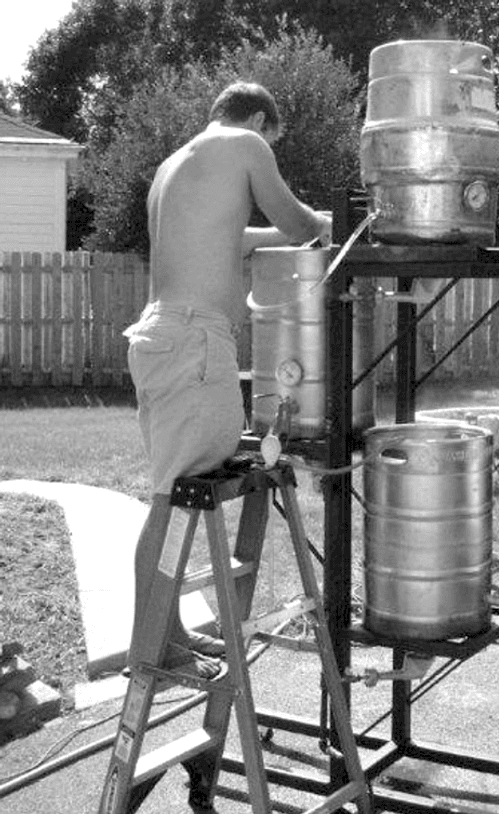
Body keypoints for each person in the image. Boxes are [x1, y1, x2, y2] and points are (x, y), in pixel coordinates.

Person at [123, 81, 332, 679]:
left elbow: (232, 237)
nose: (269, 146)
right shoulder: (245, 144)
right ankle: (155, 645)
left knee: (174, 490)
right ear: (261, 120)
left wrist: (288, 229)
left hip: (162, 336)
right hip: (194, 339)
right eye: (274, 138)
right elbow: (295, 226)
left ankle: (169, 632)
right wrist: (320, 221)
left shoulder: (177, 164)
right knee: (175, 498)